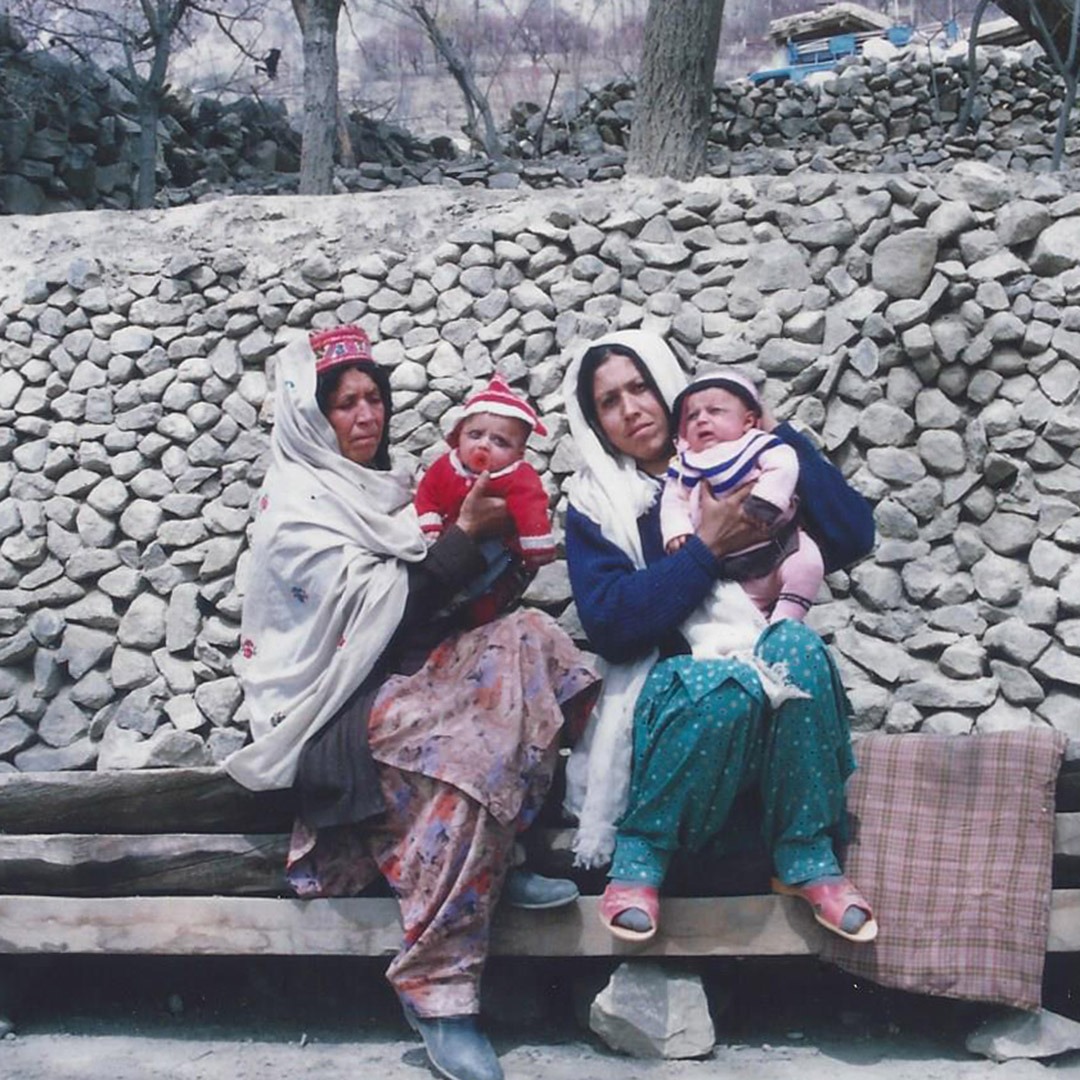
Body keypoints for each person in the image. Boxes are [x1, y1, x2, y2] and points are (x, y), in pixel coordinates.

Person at [226, 325, 600, 1080]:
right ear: (311, 418)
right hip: (339, 713)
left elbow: (445, 606)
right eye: (344, 404)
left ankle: (505, 842)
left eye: (374, 399)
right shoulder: (298, 510)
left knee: (533, 639)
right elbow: (383, 617)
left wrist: (501, 552)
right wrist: (463, 539)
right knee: (463, 761)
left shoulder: (393, 493)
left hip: (415, 682)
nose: (366, 416)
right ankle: (439, 992)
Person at [560, 329, 878, 948]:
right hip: (670, 710)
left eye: (641, 387)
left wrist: (773, 436)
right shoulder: (599, 503)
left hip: (768, 704)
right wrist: (707, 549)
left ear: (670, 390)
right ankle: (641, 854)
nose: (631, 409)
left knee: (800, 652)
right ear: (596, 423)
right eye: (609, 402)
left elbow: (851, 534)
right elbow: (613, 625)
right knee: (726, 683)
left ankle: (808, 859)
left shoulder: (753, 460)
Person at [659, 370, 825, 660]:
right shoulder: (687, 464)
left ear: (748, 420)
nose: (702, 419)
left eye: (715, 411)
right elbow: (673, 500)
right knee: (733, 608)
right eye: (692, 416)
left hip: (781, 546)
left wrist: (766, 500)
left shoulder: (757, 445)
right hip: (733, 567)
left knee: (808, 564)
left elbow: (783, 466)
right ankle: (751, 641)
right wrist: (676, 530)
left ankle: (783, 625)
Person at [414, 374, 556, 626]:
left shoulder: (519, 477)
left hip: (499, 547)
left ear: (518, 453)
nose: (484, 445)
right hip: (449, 542)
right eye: (475, 434)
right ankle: (444, 603)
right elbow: (427, 492)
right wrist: (430, 522)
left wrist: (536, 545)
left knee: (494, 571)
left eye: (500, 441)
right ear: (458, 436)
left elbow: (532, 506)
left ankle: (478, 604)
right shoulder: (446, 467)